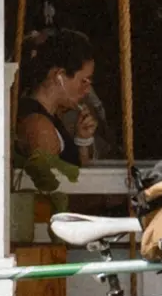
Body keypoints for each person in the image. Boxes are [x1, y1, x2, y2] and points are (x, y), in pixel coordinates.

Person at [10, 36, 101, 241]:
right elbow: (54, 191)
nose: (86, 90)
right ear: (59, 75)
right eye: (83, 81)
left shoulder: (51, 118)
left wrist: (82, 141)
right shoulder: (38, 126)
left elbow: (75, 170)